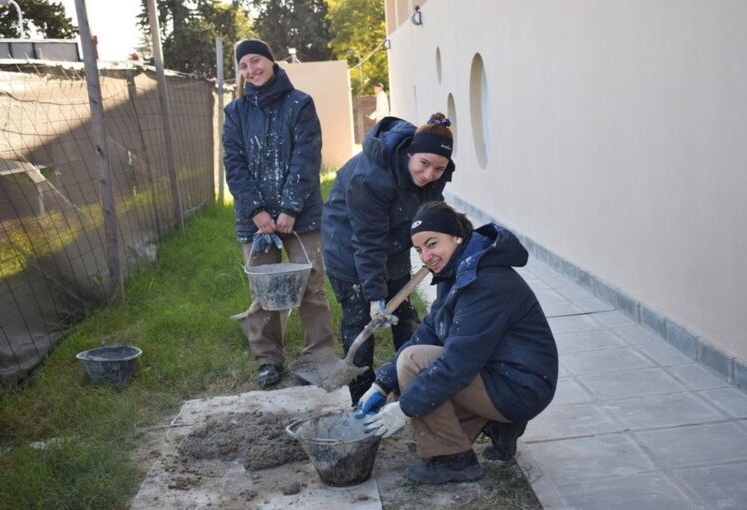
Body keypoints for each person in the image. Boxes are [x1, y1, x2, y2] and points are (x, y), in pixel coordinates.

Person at [357, 201, 559, 485]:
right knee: (419, 367)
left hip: (521, 385)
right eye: (419, 250)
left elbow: (458, 365)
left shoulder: (485, 282)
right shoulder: (458, 271)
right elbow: (430, 330)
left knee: (414, 363)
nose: (426, 257)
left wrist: (404, 408)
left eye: (432, 244)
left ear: (457, 236)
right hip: (507, 374)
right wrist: (382, 383)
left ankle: (453, 461)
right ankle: (500, 427)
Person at [322, 113, 455, 405]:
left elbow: (431, 214)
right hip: (348, 247)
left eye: (438, 168)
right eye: (424, 164)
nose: (429, 174)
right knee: (360, 325)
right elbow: (367, 240)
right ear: (410, 152)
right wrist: (374, 295)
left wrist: (448, 241)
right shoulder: (371, 177)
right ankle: (362, 401)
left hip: (392, 242)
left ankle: (408, 389)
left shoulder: (436, 173)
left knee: (405, 318)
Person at [222, 39, 334, 387]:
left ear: (271, 61)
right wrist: (256, 211)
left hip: (302, 215)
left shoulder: (300, 104)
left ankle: (319, 357)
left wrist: (290, 208)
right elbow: (234, 164)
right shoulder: (235, 113)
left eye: (256, 61)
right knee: (264, 290)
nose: (250, 70)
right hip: (254, 220)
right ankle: (268, 360)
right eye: (243, 66)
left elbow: (306, 157)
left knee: (311, 287)